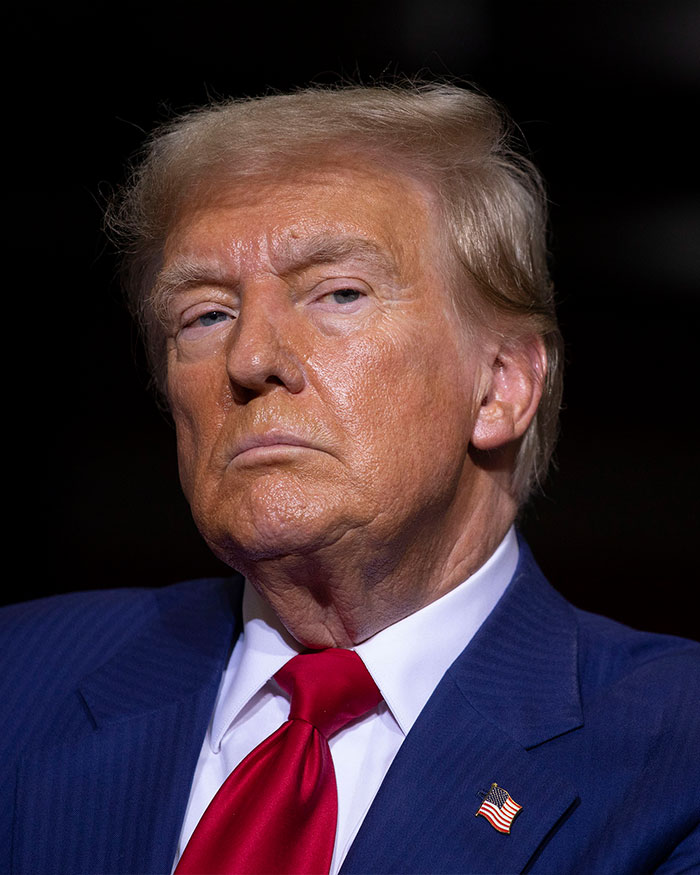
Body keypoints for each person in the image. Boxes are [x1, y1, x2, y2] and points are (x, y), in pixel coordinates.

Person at [1, 83, 698, 875]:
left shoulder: (673, 748)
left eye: (337, 293)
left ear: (501, 385)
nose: (250, 358)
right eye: (205, 314)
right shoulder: (17, 682)